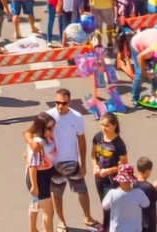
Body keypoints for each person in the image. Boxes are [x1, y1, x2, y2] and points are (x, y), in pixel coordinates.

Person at [33, 88, 98, 230]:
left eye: (63, 103)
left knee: (82, 191)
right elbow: (31, 132)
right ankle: (61, 221)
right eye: (57, 102)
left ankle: (87, 217)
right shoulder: (48, 116)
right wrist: (33, 148)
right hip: (54, 163)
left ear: (69, 102)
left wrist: (83, 163)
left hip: (71, 161)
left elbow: (81, 140)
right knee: (56, 195)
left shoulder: (77, 117)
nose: (60, 106)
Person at [93, 112, 129, 229]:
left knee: (111, 206)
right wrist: (95, 166)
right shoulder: (98, 137)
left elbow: (124, 165)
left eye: (107, 126)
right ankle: (107, 226)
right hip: (99, 177)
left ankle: (109, 227)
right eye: (102, 125)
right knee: (104, 203)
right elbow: (93, 155)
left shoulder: (119, 144)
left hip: (112, 180)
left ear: (114, 126)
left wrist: (108, 171)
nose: (104, 128)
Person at [26, 113, 57, 232]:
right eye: (49, 128)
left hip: (45, 175)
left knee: (36, 203)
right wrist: (34, 186)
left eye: (53, 127)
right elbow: (33, 166)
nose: (52, 130)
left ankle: (33, 229)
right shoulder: (39, 143)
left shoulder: (42, 138)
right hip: (39, 179)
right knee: (49, 212)